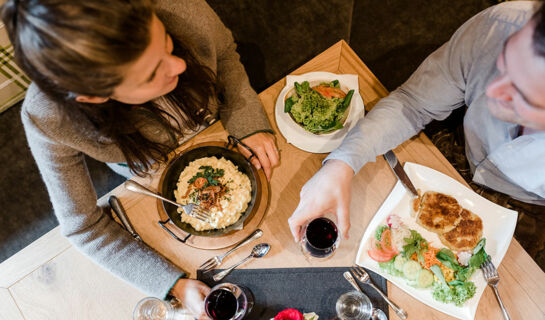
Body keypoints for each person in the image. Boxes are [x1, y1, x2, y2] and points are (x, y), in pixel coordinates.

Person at [2, 0, 279, 318]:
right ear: (94, 96)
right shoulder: (46, 119)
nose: (179, 66)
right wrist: (173, 284)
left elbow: (225, 54)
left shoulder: (178, 7)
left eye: (166, 43)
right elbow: (83, 227)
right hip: (145, 166)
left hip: (213, 120)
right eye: (150, 73)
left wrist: (248, 124)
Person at [289, 1, 545, 242]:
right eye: (504, 63)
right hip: (459, 146)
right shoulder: (503, 26)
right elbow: (413, 102)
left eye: (522, 94)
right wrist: (341, 164)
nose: (490, 91)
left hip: (525, 206)